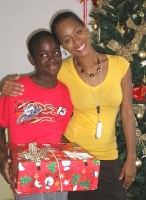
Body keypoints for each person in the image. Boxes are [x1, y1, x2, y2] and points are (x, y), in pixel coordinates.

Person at [0, 11, 136, 200]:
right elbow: (37, 79)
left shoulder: (120, 65)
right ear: (63, 45)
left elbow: (128, 114)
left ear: (86, 28)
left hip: (108, 155)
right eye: (67, 40)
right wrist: (6, 84)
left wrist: (131, 158)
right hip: (71, 157)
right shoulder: (61, 70)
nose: (76, 41)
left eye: (78, 32)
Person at [0, 30, 73, 200]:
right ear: (32, 60)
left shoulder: (64, 92)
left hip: (57, 171)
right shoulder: (16, 88)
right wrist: (2, 156)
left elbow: (56, 133)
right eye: (43, 54)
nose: (52, 58)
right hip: (25, 172)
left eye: (56, 52)